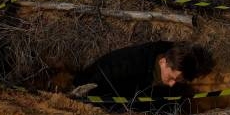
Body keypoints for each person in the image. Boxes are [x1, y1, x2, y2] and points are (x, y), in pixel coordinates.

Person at [72, 41, 214, 108]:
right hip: (101, 91)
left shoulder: (177, 60)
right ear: (163, 62)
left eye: (178, 80)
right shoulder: (130, 64)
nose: (172, 84)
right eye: (171, 78)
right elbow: (97, 78)